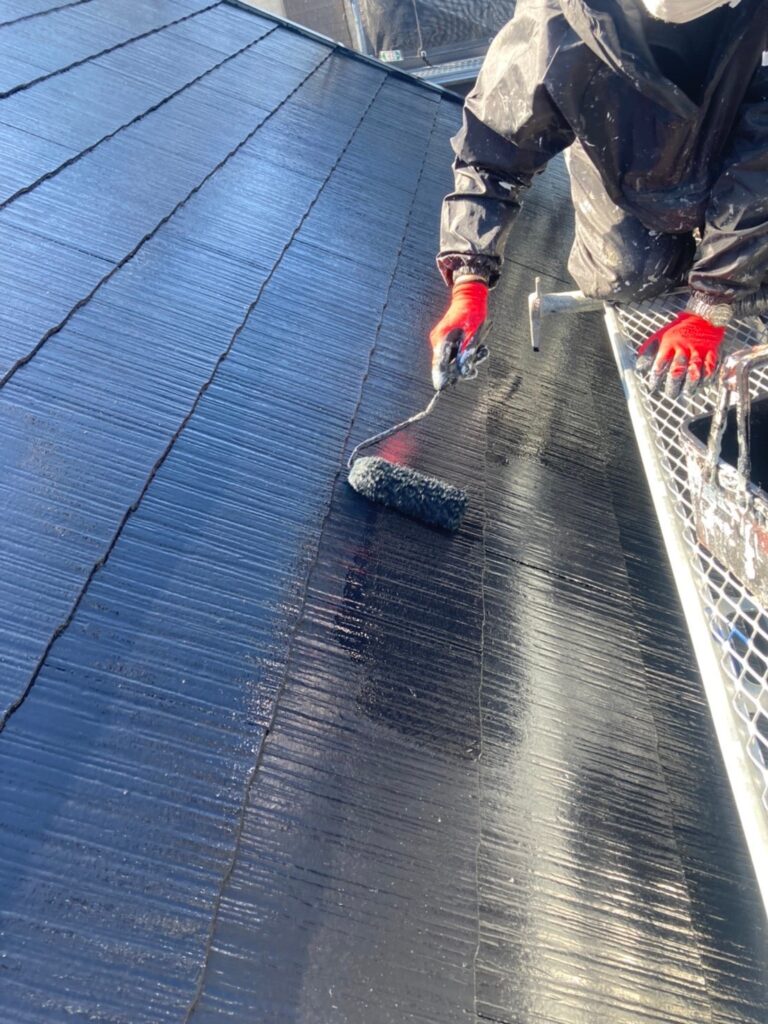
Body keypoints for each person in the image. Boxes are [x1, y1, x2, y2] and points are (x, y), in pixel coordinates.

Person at [429, 0, 768, 398]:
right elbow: (493, 151)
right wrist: (470, 280)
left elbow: (758, 162)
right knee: (628, 274)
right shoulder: (556, 29)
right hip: (623, 152)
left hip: (728, 131)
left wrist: (714, 300)